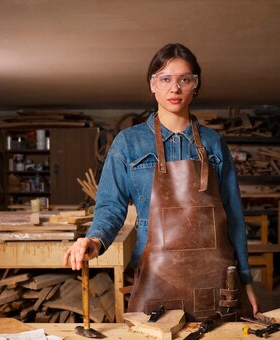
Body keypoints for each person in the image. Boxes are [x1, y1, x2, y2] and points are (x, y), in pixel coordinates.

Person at [65, 43, 259, 320]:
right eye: (165, 79)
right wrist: (95, 240)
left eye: (185, 79)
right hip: (154, 279)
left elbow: (234, 218)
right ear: (152, 85)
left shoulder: (215, 144)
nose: (175, 88)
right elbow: (110, 207)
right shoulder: (128, 143)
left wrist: (246, 280)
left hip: (216, 282)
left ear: (196, 85)